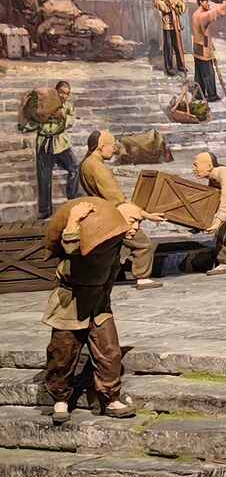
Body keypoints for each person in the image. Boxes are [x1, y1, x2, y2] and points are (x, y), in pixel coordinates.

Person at [42, 198, 149, 422]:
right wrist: (74, 219)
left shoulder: (120, 241)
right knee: (62, 353)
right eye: (133, 221)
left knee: (109, 352)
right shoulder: (94, 233)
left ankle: (110, 399)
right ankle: (60, 399)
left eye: (139, 222)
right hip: (71, 302)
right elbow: (72, 248)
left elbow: (138, 251)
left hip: (99, 303)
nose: (136, 227)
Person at [80, 130, 161, 289]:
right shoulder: (97, 167)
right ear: (101, 146)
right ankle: (142, 277)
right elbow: (117, 199)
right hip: (115, 215)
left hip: (103, 213)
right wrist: (145, 214)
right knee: (143, 244)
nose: (114, 149)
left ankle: (114, 274)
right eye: (111, 145)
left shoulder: (87, 163)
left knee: (116, 247)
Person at [22, 80, 79, 220]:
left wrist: (63, 116)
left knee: (74, 168)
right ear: (55, 92)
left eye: (67, 94)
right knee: (44, 178)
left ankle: (72, 200)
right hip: (44, 144)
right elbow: (31, 121)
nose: (64, 96)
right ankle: (45, 210)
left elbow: (71, 121)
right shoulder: (43, 104)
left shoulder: (68, 106)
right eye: (61, 92)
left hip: (61, 143)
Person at [190, 0, 226, 102]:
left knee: (199, 72)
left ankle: (199, 93)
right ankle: (211, 94)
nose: (208, 4)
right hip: (203, 46)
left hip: (198, 46)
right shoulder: (200, 15)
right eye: (206, 2)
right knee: (208, 72)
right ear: (201, 2)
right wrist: (225, 5)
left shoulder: (197, 13)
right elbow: (211, 14)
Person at [153, 0, 187, 75]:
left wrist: (179, 5)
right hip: (167, 21)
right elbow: (157, 2)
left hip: (176, 21)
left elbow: (182, 3)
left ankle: (181, 65)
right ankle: (169, 67)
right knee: (168, 45)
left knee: (178, 44)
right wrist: (166, 6)